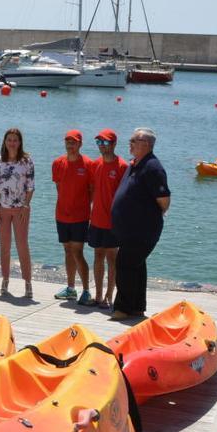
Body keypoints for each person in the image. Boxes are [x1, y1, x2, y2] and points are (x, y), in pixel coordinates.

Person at [110, 127, 171, 320]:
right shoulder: (137, 163)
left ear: (146, 144)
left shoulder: (153, 167)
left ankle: (123, 308)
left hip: (141, 231)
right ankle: (137, 307)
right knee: (136, 266)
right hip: (130, 230)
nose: (130, 143)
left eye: (134, 140)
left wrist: (144, 215)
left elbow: (164, 200)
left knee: (125, 265)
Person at [52, 129, 94, 305]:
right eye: (68, 141)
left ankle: (86, 291)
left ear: (80, 144)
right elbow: (59, 187)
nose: (71, 145)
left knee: (77, 252)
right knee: (67, 251)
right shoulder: (58, 163)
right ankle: (70, 288)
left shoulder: (88, 164)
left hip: (80, 217)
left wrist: (82, 207)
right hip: (61, 215)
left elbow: (91, 191)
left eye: (74, 142)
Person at [87, 128, 128, 308]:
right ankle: (97, 296)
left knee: (112, 258)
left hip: (114, 221)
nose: (102, 147)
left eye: (105, 143)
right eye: (99, 143)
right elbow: (92, 190)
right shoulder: (95, 164)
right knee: (97, 255)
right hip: (96, 219)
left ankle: (109, 295)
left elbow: (126, 195)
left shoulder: (123, 166)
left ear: (114, 144)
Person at [0, 128, 34, 298]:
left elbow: (30, 186)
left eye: (15, 140)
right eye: (9, 139)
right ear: (5, 141)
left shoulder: (27, 161)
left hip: (20, 209)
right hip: (2, 208)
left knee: (22, 246)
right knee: (4, 246)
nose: (12, 143)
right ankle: (5, 279)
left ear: (20, 142)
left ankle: (28, 282)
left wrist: (25, 205)